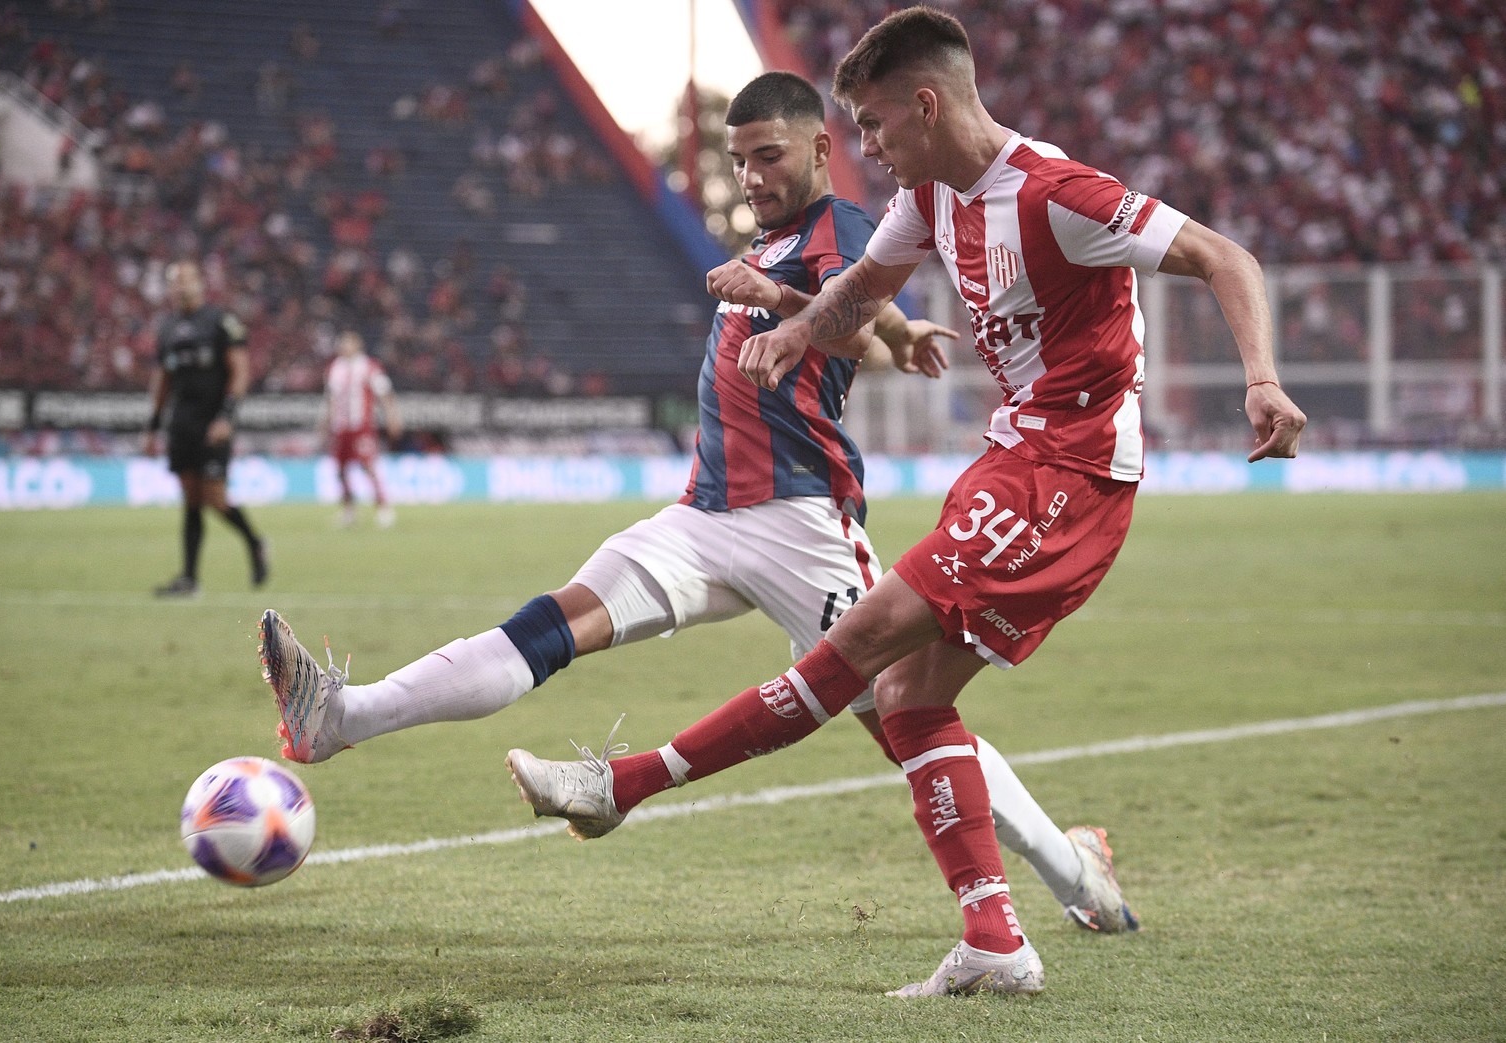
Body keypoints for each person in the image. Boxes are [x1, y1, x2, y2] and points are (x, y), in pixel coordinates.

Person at [504, 9, 1307, 999]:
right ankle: (996, 941)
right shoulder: (931, 196)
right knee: (907, 696)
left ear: (925, 104)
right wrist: (797, 330)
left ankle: (618, 785)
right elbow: (859, 290)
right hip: (1012, 460)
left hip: (1070, 475)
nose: (865, 148)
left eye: (874, 126)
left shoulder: (1057, 196)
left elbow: (1228, 257)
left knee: (860, 649)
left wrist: (1260, 378)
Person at [259, 71, 1137, 936]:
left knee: (907, 721)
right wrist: (903, 335)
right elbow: (876, 319)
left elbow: (852, 322)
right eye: (739, 159)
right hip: (704, 511)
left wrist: (816, 312)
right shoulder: (774, 236)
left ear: (821, 149)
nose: (752, 177)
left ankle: (1073, 873)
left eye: (770, 157)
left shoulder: (844, 223)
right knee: (553, 622)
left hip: (801, 522)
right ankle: (342, 715)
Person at [145, 260, 270, 597]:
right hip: (181, 424)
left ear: (200, 283)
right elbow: (164, 380)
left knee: (214, 497)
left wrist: (227, 417)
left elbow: (240, 372)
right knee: (190, 499)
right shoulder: (167, 327)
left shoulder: (220, 322)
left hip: (213, 422)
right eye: (175, 280)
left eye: (187, 278)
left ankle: (255, 542)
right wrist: (153, 426)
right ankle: (189, 578)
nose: (181, 285)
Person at [323, 330, 403, 528]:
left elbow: (385, 394)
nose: (343, 346)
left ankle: (384, 507)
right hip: (341, 428)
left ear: (357, 345)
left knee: (368, 467)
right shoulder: (335, 368)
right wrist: (325, 422)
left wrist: (392, 418)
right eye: (342, 342)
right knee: (340, 470)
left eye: (347, 342)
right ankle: (349, 510)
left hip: (362, 427)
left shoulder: (369, 366)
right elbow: (331, 399)